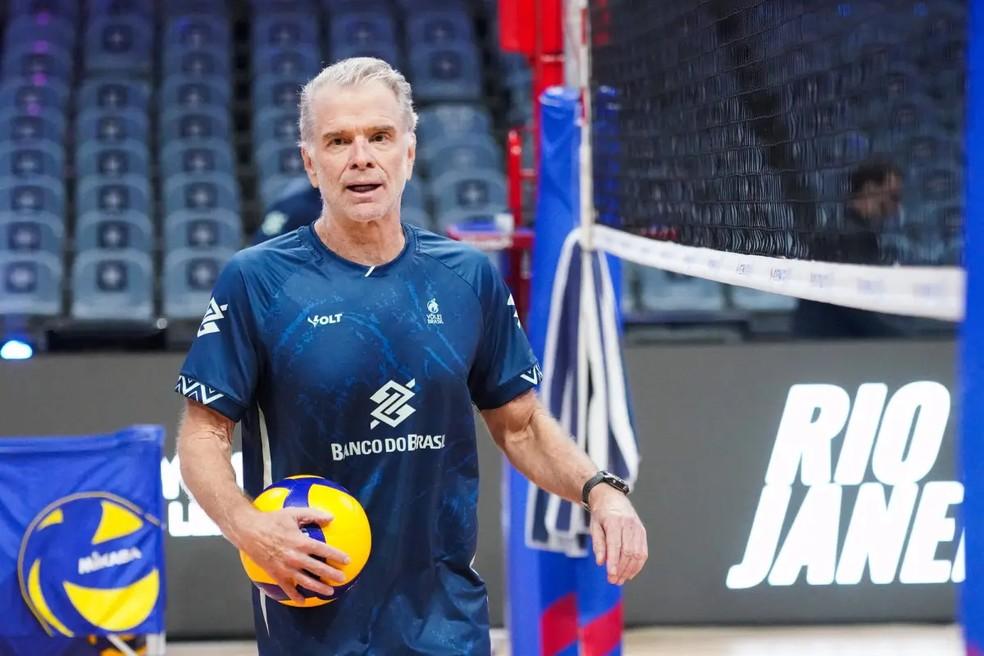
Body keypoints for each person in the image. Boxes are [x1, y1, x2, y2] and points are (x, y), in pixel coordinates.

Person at [174, 57, 647, 655]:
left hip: (446, 623)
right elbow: (202, 437)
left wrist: (600, 490)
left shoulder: (466, 277)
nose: (361, 157)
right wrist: (248, 529)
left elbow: (522, 425)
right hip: (314, 623)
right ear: (310, 163)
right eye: (338, 141)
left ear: (409, 153)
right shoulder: (259, 281)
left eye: (379, 136)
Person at [795, 159, 911, 338]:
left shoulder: (842, 227)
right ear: (870, 189)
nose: (896, 207)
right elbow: (853, 303)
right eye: (893, 197)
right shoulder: (851, 235)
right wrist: (893, 336)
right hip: (828, 342)